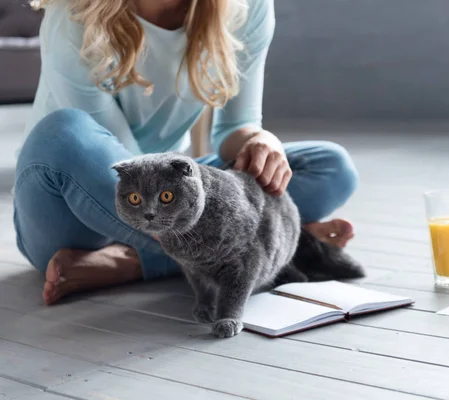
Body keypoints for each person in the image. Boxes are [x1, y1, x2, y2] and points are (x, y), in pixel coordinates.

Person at [13, 0, 359, 305]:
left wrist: (258, 140)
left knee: (328, 166)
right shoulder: (72, 13)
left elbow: (235, 126)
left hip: (170, 198)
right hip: (75, 204)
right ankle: (262, 247)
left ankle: (128, 263)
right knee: (63, 132)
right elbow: (128, 172)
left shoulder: (246, 4)